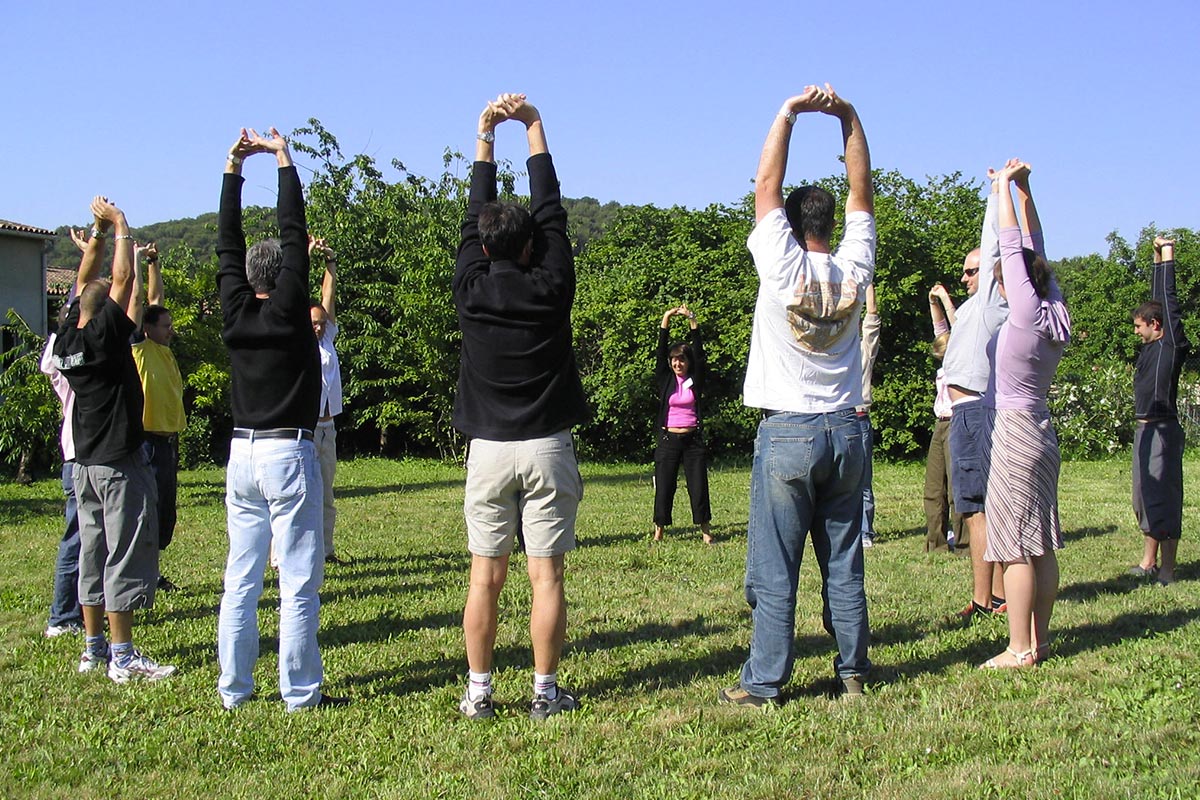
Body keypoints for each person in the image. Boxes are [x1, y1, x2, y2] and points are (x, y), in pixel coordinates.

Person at [722, 84, 873, 707]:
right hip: (847, 429)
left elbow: (764, 186)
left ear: (789, 224)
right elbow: (863, 189)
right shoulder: (855, 267)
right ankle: (853, 674)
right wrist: (848, 117)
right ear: (834, 225)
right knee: (843, 561)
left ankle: (764, 683)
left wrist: (787, 112)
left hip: (788, 432)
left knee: (776, 567)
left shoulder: (780, 264)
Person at [454, 94, 588, 721]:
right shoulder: (551, 286)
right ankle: (543, 691)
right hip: (546, 446)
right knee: (546, 578)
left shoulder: (472, 288)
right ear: (533, 248)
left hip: (487, 448)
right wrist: (535, 128)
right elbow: (553, 215)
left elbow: (472, 218)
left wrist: (486, 138)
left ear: (483, 247)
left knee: (485, 578)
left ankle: (479, 692)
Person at [216, 127, 343, 711]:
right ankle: (299, 693)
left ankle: (235, 690)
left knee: (241, 580)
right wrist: (284, 160)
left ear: (247, 278)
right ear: (283, 276)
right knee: (296, 579)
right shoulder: (293, 309)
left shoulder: (236, 309)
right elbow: (295, 234)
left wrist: (233, 170)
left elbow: (226, 243)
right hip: (287, 453)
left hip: (240, 454)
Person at [52, 196, 174, 682]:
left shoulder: (67, 339)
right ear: (107, 314)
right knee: (122, 555)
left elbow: (89, 285)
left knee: (91, 553)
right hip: (118, 463)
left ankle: (93, 648)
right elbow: (120, 284)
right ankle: (123, 658)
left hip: (83, 463)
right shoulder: (104, 339)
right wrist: (120, 223)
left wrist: (98, 236)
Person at [979, 160, 1070, 668]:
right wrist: (1025, 189)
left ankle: (1018, 648)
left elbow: (1015, 248)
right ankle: (1042, 640)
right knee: (1042, 542)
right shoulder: (1055, 313)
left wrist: (999, 189)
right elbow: (1035, 252)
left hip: (1015, 431)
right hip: (1042, 428)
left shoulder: (1028, 313)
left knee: (1014, 544)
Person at [942, 170, 1010, 618]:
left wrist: (997, 193)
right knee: (978, 507)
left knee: (979, 509)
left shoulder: (992, 302)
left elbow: (995, 244)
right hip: (963, 413)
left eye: (974, 270)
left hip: (976, 414)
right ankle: (995, 597)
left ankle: (986, 599)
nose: (968, 276)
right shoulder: (970, 310)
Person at [1129, 236, 1189, 585]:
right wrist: (1154, 258)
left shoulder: (1170, 344)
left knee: (1163, 497)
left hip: (1163, 430)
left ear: (1156, 327)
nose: (1136, 331)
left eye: (1140, 326)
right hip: (1143, 430)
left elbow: (1167, 303)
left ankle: (1168, 569)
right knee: (1143, 496)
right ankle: (1148, 561)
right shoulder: (1151, 346)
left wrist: (1168, 255)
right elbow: (1156, 302)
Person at [128, 242, 186, 592]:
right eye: (165, 325)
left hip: (167, 442)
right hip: (147, 442)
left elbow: (157, 296)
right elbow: (140, 304)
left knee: (164, 514)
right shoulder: (139, 348)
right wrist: (135, 262)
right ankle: (142, 576)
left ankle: (153, 571)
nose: (170, 329)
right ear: (147, 329)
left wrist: (154, 262)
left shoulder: (163, 351)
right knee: (146, 514)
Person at [39, 301, 83, 638]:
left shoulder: (58, 360)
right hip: (80, 456)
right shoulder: (78, 361)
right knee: (77, 540)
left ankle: (76, 610)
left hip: (73, 453)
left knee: (83, 539)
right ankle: (63, 614)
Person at [652, 304, 713, 545]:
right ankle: (659, 531)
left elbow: (699, 354)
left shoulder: (694, 380)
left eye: (682, 360)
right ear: (670, 363)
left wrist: (693, 321)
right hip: (668, 440)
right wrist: (666, 318)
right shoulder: (665, 379)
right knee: (665, 487)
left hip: (693, 440)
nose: (678, 364)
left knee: (698, 487)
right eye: (674, 360)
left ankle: (706, 531)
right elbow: (659, 351)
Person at [309, 236, 344, 565]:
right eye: (313, 324)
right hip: (304, 431)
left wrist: (329, 263)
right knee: (298, 496)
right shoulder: (298, 345)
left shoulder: (327, 339)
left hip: (327, 427)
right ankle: (282, 556)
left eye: (321, 323)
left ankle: (327, 550)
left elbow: (328, 298)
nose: (319, 327)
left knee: (326, 495)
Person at [923, 283, 965, 552]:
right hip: (941, 424)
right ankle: (935, 542)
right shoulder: (945, 362)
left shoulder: (962, 355)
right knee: (934, 487)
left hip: (959, 422)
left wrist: (946, 300)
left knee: (957, 489)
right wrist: (932, 303)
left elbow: (957, 327)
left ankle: (964, 543)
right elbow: (941, 329)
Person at [857, 284, 881, 548]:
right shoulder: (833, 356)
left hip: (859, 418)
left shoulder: (863, 353)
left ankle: (865, 532)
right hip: (837, 419)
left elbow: (872, 319)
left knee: (863, 482)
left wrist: (867, 285)